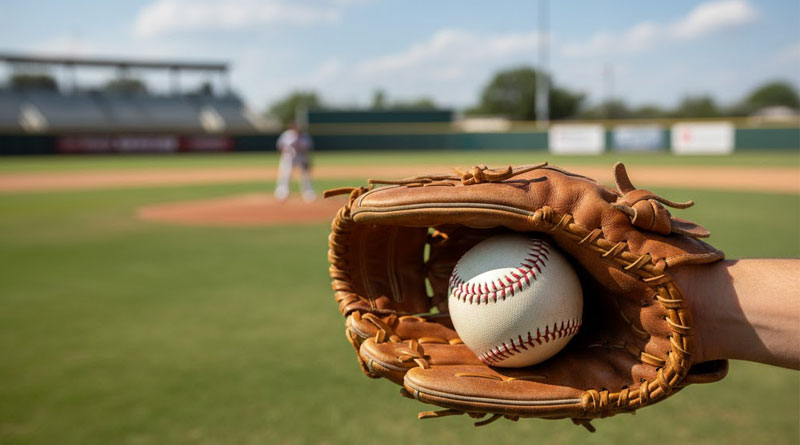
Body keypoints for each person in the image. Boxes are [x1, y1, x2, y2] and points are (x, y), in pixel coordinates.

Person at [274, 121, 315, 202]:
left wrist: (308, 160)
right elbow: (280, 146)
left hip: (301, 156)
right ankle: (282, 192)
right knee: (285, 174)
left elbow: (308, 149)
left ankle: (308, 192)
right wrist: (284, 155)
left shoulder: (305, 136)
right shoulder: (287, 135)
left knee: (305, 175)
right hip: (289, 156)